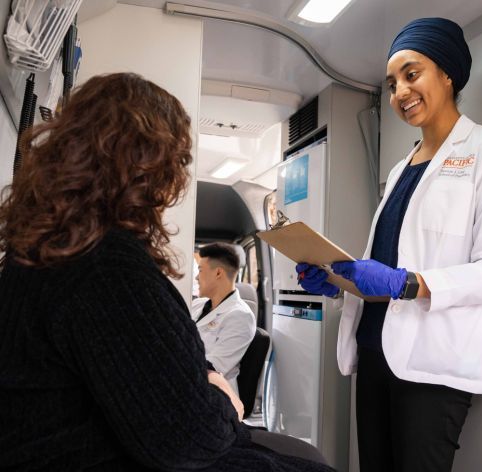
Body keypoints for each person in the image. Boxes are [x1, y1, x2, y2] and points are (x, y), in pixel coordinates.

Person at [0, 72, 333, 471]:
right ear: (150, 166)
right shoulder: (104, 266)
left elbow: (154, 358)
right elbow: (187, 436)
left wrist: (202, 378)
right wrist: (224, 401)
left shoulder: (50, 249)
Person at [297, 17, 482, 472]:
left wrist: (408, 284)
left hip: (431, 365)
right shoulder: (401, 168)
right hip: (375, 350)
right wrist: (339, 280)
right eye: (392, 82)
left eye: (411, 74)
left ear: (448, 74)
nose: (400, 91)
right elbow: (389, 264)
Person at [192, 242, 256, 395]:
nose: (196, 277)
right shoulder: (197, 305)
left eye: (200, 270)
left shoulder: (241, 316)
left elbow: (213, 367)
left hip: (212, 394)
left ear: (218, 273)